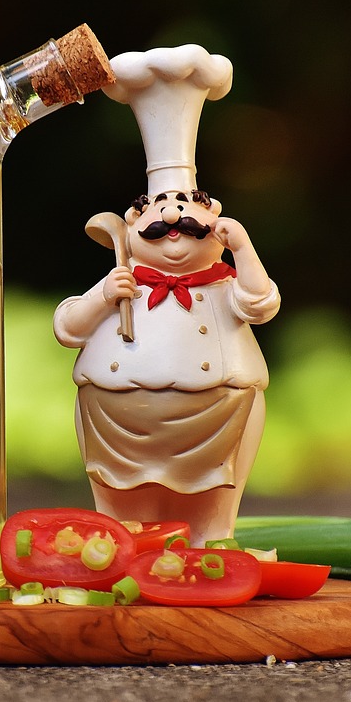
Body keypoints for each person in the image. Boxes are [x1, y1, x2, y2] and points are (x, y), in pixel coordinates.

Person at [53, 187, 279, 544]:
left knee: (212, 505)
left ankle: (209, 551)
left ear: (216, 219)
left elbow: (260, 303)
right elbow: (68, 328)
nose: (172, 217)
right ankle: (126, 552)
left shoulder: (225, 284)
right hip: (115, 421)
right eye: (159, 209)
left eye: (184, 208)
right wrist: (103, 296)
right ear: (131, 225)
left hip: (220, 415)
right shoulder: (120, 280)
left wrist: (242, 248)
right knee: (125, 511)